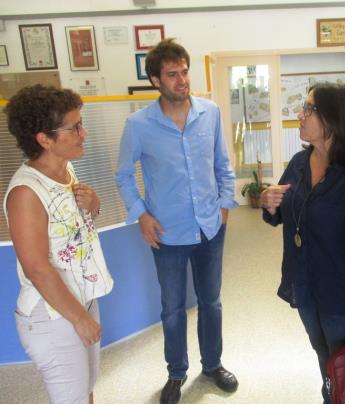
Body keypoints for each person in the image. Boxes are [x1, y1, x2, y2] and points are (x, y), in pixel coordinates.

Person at [115, 38, 238, 404]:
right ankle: (175, 373)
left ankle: (212, 365)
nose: (182, 80)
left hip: (210, 227)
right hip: (167, 232)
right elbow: (123, 175)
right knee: (171, 308)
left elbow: (222, 164)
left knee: (211, 301)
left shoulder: (210, 112)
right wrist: (141, 214)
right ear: (155, 80)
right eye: (172, 74)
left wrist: (226, 204)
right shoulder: (138, 124)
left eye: (184, 72)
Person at [261, 82, 345, 403]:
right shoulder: (298, 162)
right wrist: (269, 203)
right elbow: (282, 212)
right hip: (305, 285)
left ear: (334, 119)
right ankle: (332, 397)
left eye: (309, 109)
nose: (300, 114)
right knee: (324, 356)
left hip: (344, 295)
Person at [3, 84, 114, 404]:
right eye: (74, 127)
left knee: (86, 388)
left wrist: (94, 203)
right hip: (52, 315)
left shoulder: (67, 170)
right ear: (44, 138)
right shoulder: (26, 193)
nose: (84, 132)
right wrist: (79, 319)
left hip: (82, 298)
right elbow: (36, 268)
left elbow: (76, 227)